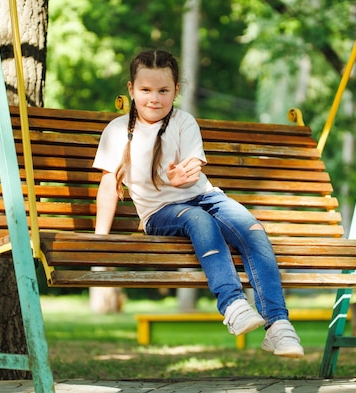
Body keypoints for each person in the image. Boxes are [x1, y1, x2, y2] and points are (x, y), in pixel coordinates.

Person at [93, 49, 303, 358]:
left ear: (176, 90)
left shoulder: (183, 122)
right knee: (197, 219)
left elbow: (192, 169)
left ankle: (278, 325)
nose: (155, 98)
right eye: (146, 90)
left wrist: (182, 178)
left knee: (252, 228)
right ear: (131, 89)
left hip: (205, 197)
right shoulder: (116, 131)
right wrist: (100, 241)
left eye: (163, 90)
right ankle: (232, 305)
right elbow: (109, 186)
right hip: (160, 213)